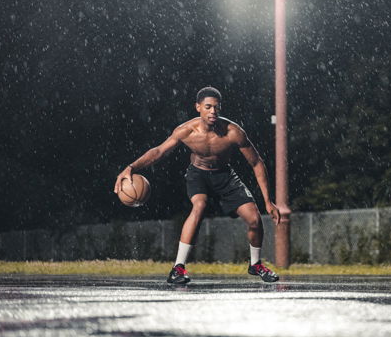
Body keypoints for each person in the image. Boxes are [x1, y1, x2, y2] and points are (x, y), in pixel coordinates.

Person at [114, 86, 281, 284]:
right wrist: (131, 167)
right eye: (208, 107)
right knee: (199, 206)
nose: (213, 112)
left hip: (225, 176)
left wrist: (268, 200)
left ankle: (255, 265)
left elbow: (256, 162)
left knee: (254, 219)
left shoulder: (233, 132)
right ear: (198, 107)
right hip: (198, 175)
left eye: (216, 108)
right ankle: (178, 268)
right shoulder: (186, 131)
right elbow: (159, 151)